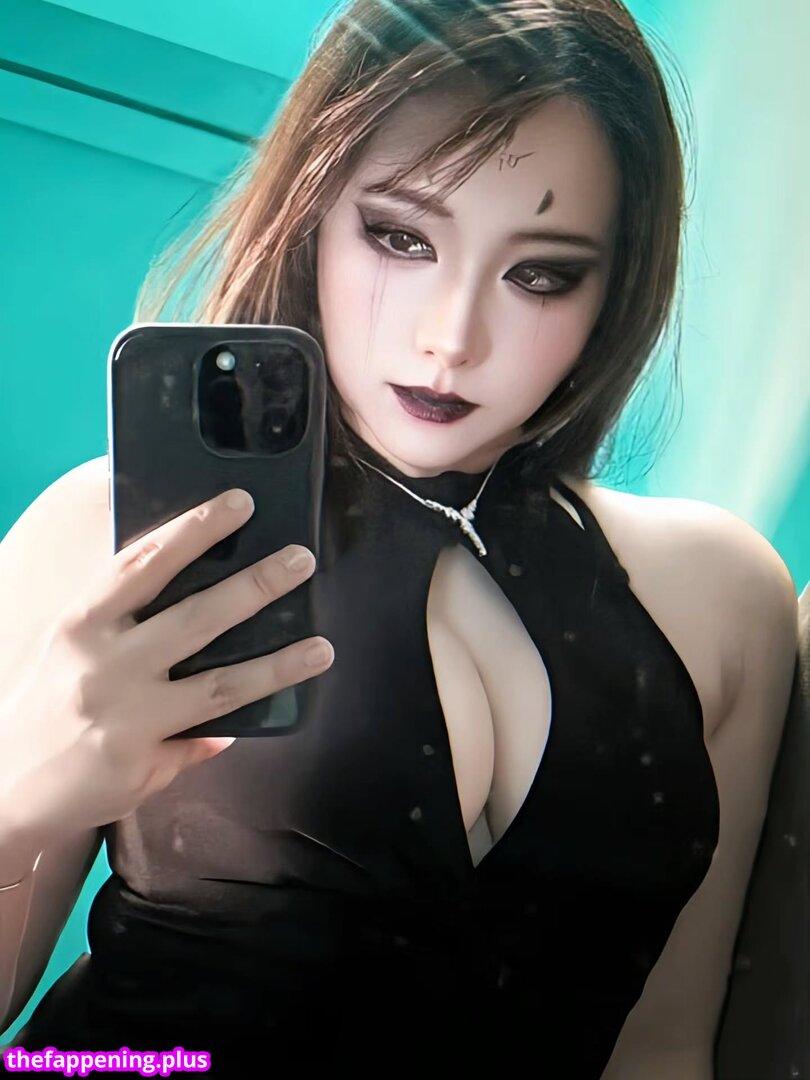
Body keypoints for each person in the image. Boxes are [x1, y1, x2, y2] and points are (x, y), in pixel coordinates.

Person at [0, 0, 799, 1076]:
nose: (450, 337)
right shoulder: (109, 534)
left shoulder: (721, 596)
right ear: (310, 217)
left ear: (615, 291)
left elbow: (664, 1051)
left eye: (541, 274)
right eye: (400, 238)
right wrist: (20, 802)